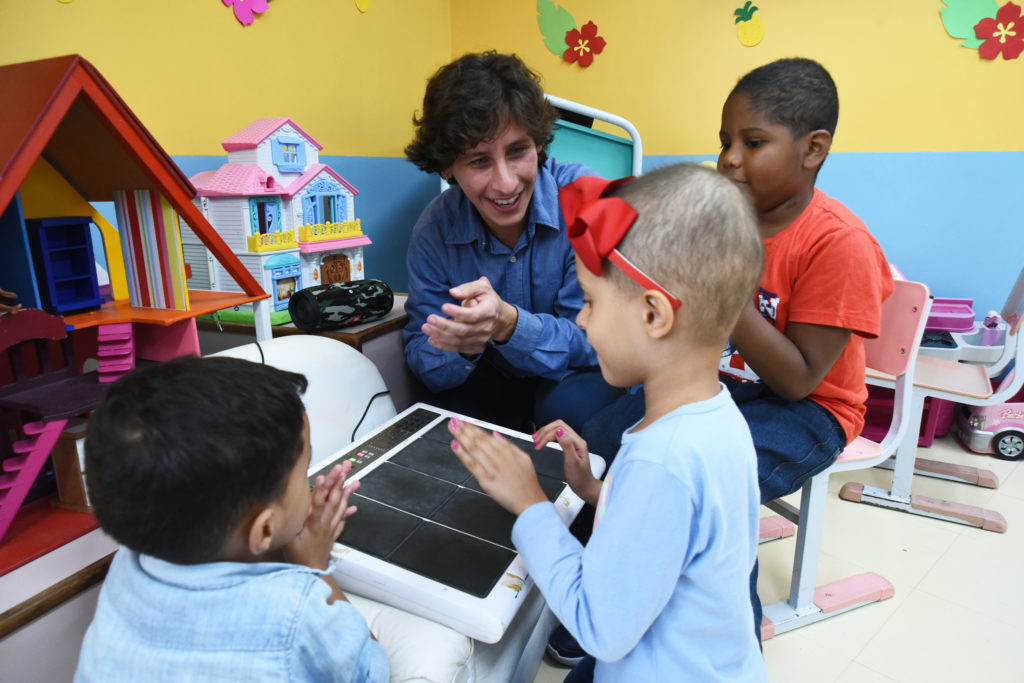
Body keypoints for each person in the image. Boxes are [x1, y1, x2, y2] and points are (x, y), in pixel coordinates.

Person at [448, 163, 769, 681]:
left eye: (592, 302)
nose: (580, 319)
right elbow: (688, 535)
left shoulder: (661, 460)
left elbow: (600, 626)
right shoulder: (719, 416)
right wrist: (598, 491)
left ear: (653, 315)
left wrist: (531, 504)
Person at [718, 57, 894, 641]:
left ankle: (730, 647)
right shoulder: (730, 218)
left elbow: (798, 381)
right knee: (613, 434)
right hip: (734, 388)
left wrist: (723, 291)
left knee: (715, 484)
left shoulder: (837, 243)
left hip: (815, 410)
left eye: (753, 141)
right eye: (725, 141)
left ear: (813, 149)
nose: (730, 159)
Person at [75, 356, 388, 682]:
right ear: (264, 529)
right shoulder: (296, 612)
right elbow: (370, 668)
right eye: (304, 469)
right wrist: (312, 565)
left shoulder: (128, 563)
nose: (308, 481)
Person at [403, 51, 623, 433]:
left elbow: (600, 340)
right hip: (489, 379)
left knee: (570, 406)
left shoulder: (587, 201)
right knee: (447, 417)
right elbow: (425, 361)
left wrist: (508, 324)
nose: (505, 184)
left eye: (517, 151)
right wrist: (464, 341)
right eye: (478, 161)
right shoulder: (433, 230)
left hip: (576, 377)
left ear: (538, 144)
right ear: (447, 166)